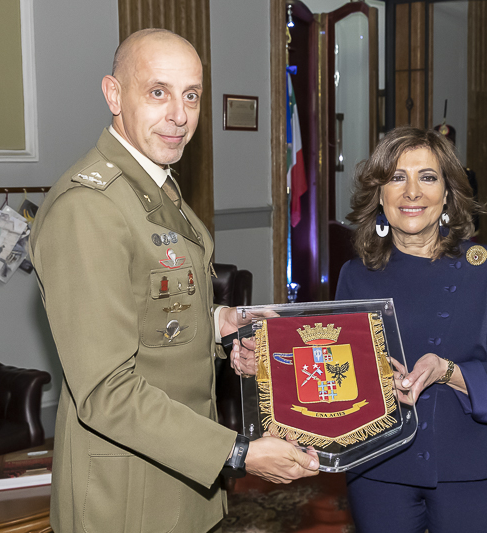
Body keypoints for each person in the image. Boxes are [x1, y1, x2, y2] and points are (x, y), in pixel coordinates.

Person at [29, 29, 319, 533]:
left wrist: (221, 325)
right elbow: (106, 391)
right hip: (126, 498)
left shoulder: (155, 185)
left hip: (179, 479)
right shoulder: (89, 209)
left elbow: (151, 312)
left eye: (191, 95)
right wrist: (239, 452)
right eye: (158, 92)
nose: (179, 115)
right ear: (114, 95)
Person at [335, 126, 487, 533]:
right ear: (379, 194)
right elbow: (337, 383)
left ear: (447, 193)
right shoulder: (354, 276)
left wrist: (448, 371)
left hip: (470, 466)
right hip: (377, 466)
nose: (412, 192)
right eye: (396, 177)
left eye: (427, 177)